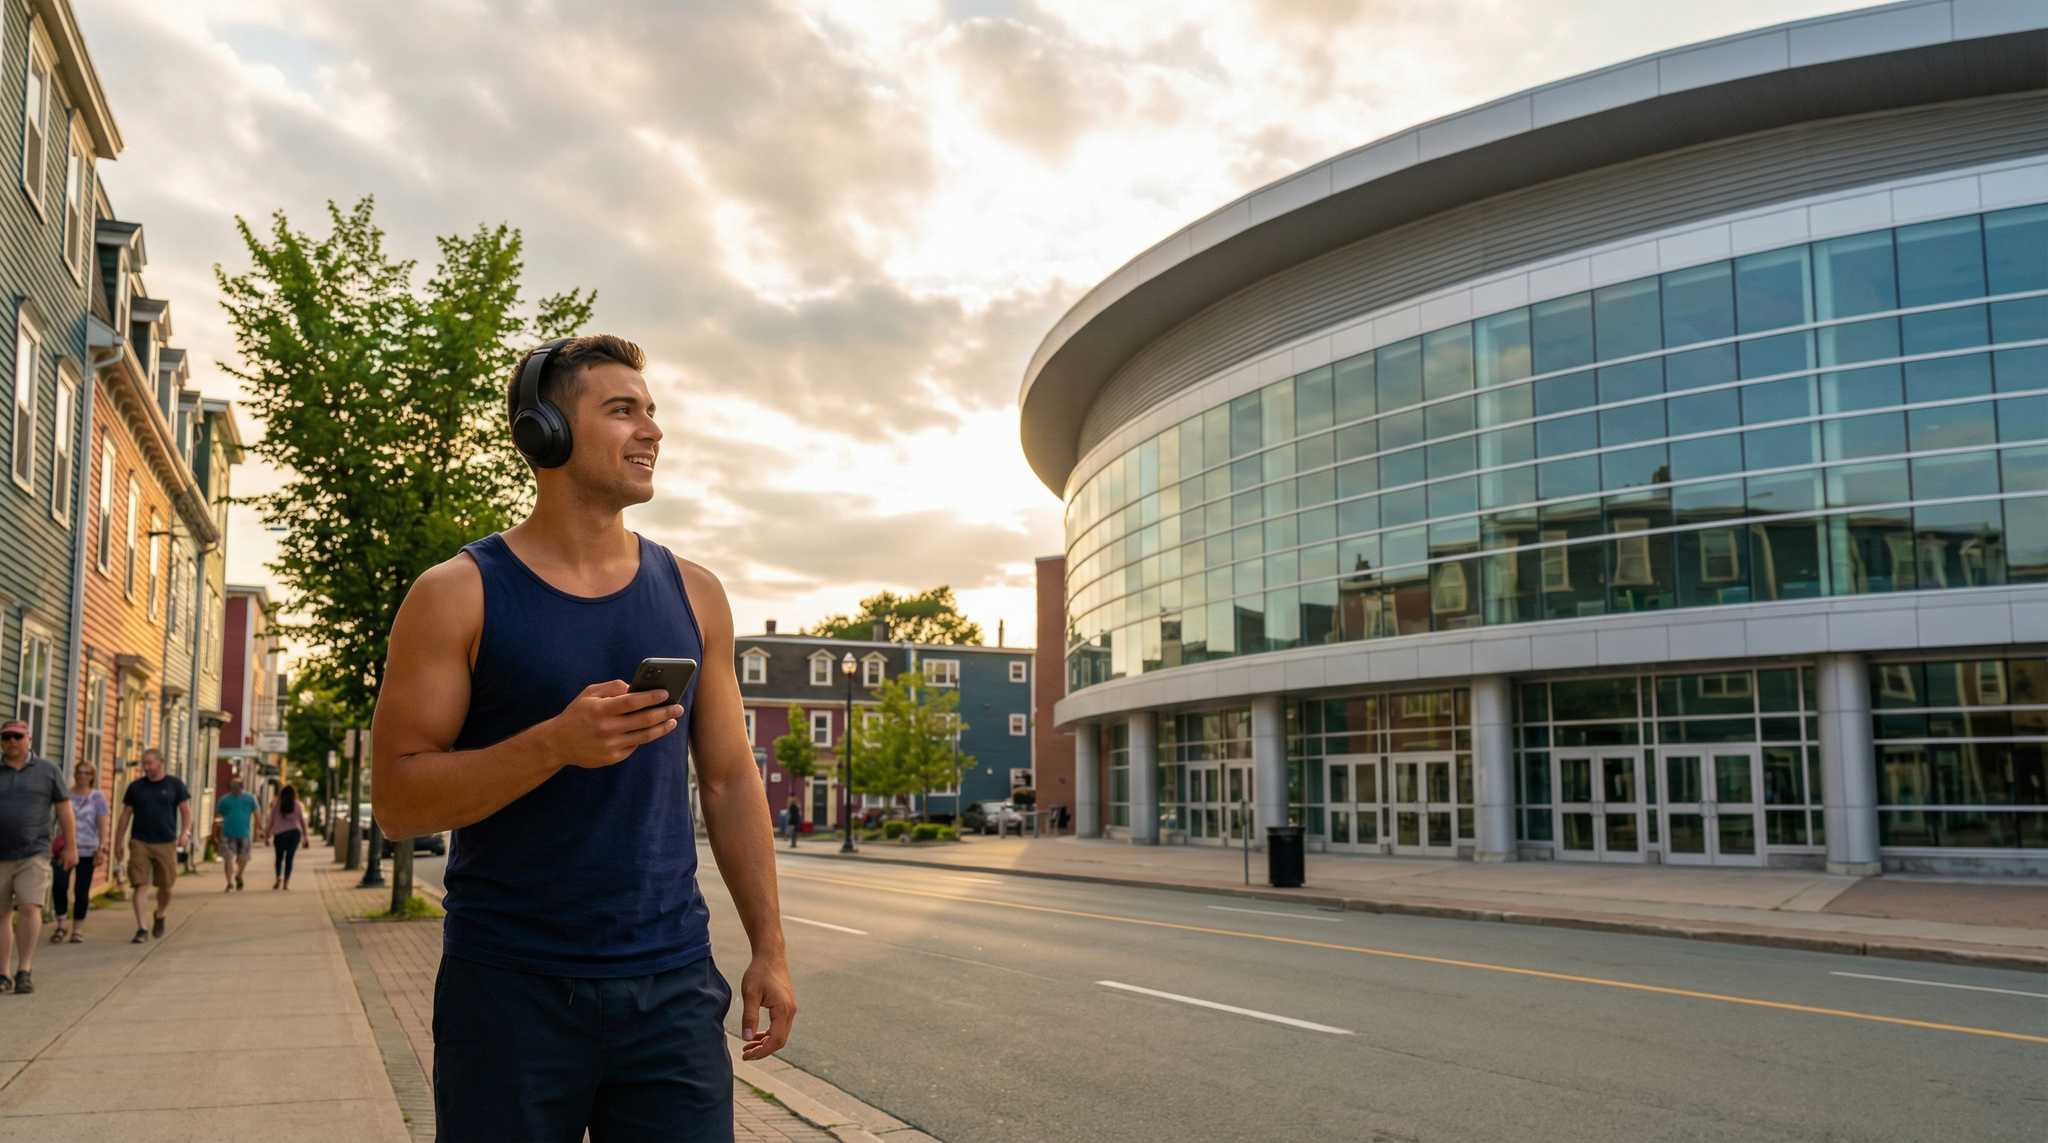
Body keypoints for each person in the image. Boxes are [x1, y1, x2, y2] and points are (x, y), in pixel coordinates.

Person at [373, 335, 794, 1141]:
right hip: (508, 993)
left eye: (652, 411)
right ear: (548, 433)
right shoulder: (456, 594)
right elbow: (397, 800)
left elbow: (730, 781)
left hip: (672, 990)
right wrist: (555, 744)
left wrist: (769, 949)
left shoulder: (697, 594)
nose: (652, 430)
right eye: (623, 410)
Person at [1, 719, 75, 995]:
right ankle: (3, 972)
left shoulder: (47, 770)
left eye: (17, 737)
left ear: (28, 739)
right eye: (6, 737)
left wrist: (71, 846)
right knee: (1, 914)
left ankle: (24, 969)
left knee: (30, 907)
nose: (11, 741)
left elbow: (64, 809)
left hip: (34, 852)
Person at [112, 749, 190, 944]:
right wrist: (118, 841)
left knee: (166, 886)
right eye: (143, 763)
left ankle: (160, 913)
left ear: (161, 762)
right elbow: (125, 815)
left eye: (149, 763)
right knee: (140, 884)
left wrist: (185, 832)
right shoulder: (136, 787)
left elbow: (185, 811)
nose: (145, 767)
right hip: (140, 841)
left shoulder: (175, 785)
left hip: (166, 842)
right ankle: (142, 928)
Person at [49, 762, 108, 944]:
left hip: (88, 850)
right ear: (75, 774)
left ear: (92, 776)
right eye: (79, 772)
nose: (83, 776)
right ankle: (61, 925)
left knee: (81, 891)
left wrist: (101, 848)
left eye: (87, 773)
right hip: (64, 849)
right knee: (59, 886)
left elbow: (102, 825)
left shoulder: (98, 797)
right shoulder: (65, 794)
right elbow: (53, 820)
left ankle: (77, 929)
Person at [213, 777, 258, 891]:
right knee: (228, 858)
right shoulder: (224, 800)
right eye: (232, 787)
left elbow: (256, 814)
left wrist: (258, 829)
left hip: (244, 833)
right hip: (227, 833)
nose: (234, 789)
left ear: (242, 787)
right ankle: (229, 882)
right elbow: (218, 816)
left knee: (243, 858)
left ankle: (239, 875)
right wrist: (215, 831)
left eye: (236, 787)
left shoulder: (250, 798)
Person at [265, 784, 308, 890]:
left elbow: (271, 821)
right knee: (289, 858)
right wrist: (305, 836)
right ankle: (286, 882)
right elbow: (302, 821)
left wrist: (267, 835)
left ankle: (278, 877)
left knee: (279, 858)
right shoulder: (297, 805)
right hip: (294, 834)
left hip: (280, 835)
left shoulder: (276, 805)